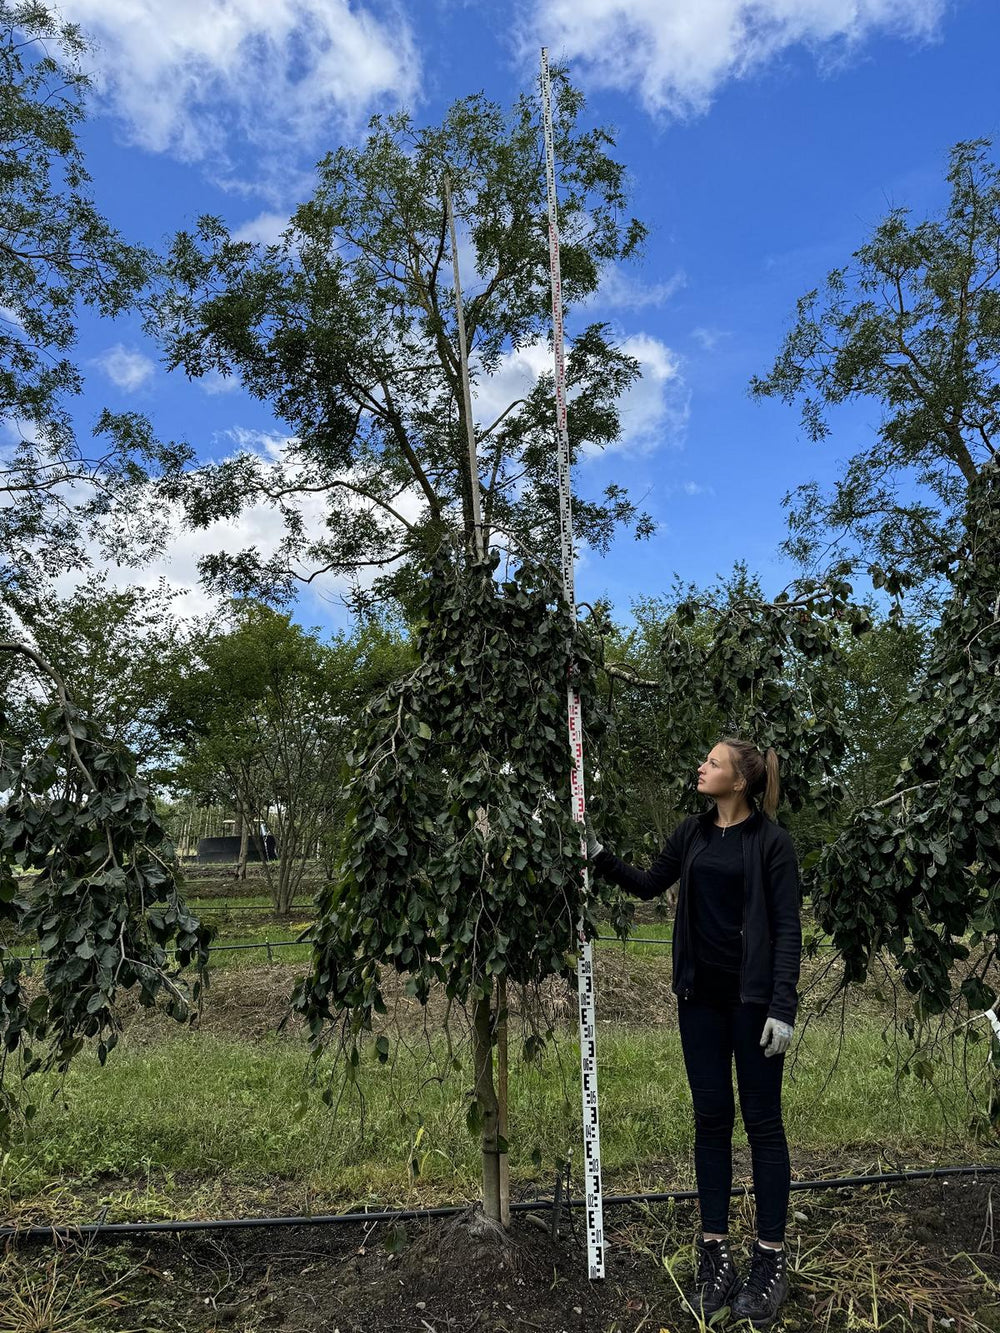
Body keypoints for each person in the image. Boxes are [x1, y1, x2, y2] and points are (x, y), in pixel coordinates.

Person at [587, 737, 801, 1328]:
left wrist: (783, 1007)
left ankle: (770, 1259)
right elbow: (648, 884)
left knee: (762, 1125)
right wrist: (597, 853)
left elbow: (787, 930)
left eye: (712, 762)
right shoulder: (692, 833)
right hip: (699, 1003)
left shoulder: (771, 844)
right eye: (703, 758)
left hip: (755, 1005)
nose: (700, 767)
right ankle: (714, 1253)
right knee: (710, 1121)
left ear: (739, 781)